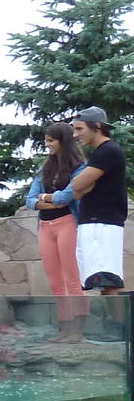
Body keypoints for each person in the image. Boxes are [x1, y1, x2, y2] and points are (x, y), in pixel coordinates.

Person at [38, 107, 126, 343]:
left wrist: (56, 194)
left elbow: (77, 185)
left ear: (96, 126)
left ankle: (121, 330)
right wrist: (79, 186)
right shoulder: (99, 153)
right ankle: (117, 329)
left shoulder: (107, 151)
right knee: (101, 278)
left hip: (103, 222)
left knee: (109, 278)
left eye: (79, 129)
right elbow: (78, 189)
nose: (75, 135)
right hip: (94, 222)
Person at [24, 120, 88, 341]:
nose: (48, 145)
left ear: (63, 141)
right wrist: (48, 200)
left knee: (72, 278)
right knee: (55, 281)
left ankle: (78, 330)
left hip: (67, 223)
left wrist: (48, 198)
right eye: (46, 141)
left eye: (51, 141)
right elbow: (30, 200)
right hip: (45, 226)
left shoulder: (79, 167)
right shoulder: (45, 167)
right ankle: (64, 329)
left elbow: (65, 198)